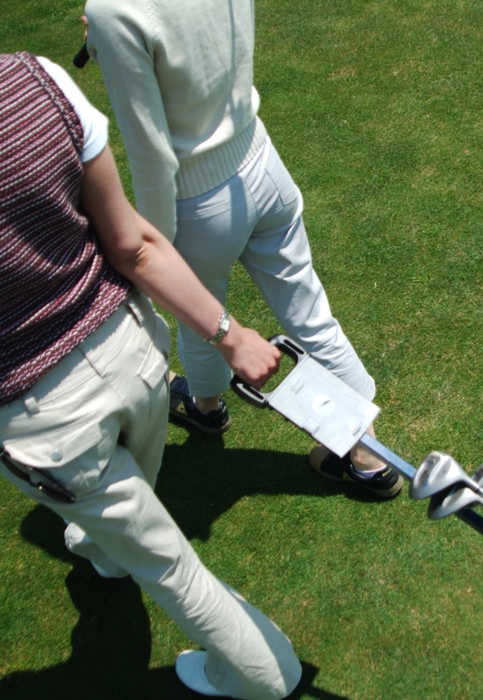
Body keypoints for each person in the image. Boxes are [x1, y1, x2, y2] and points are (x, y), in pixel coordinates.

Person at [0, 1, 301, 697]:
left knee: (173, 569)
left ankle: (269, 678)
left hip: (37, 420)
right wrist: (228, 334)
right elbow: (135, 244)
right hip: (136, 354)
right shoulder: (39, 78)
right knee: (130, 502)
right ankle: (105, 554)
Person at [81, 0, 402, 498]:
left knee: (199, 316)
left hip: (196, 201)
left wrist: (156, 247)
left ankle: (208, 409)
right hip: (264, 164)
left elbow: (149, 150)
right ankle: (369, 457)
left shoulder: (111, 11)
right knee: (310, 313)